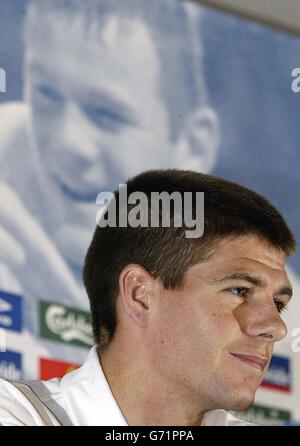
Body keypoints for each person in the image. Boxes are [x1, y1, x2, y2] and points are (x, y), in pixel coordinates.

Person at [0, 0, 219, 374]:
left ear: (192, 146)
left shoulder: (262, 306)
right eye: (47, 96)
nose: (67, 142)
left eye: (107, 115)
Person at [0, 169, 295, 426]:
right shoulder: (15, 413)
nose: (277, 327)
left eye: (278, 304)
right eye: (240, 290)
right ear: (140, 295)